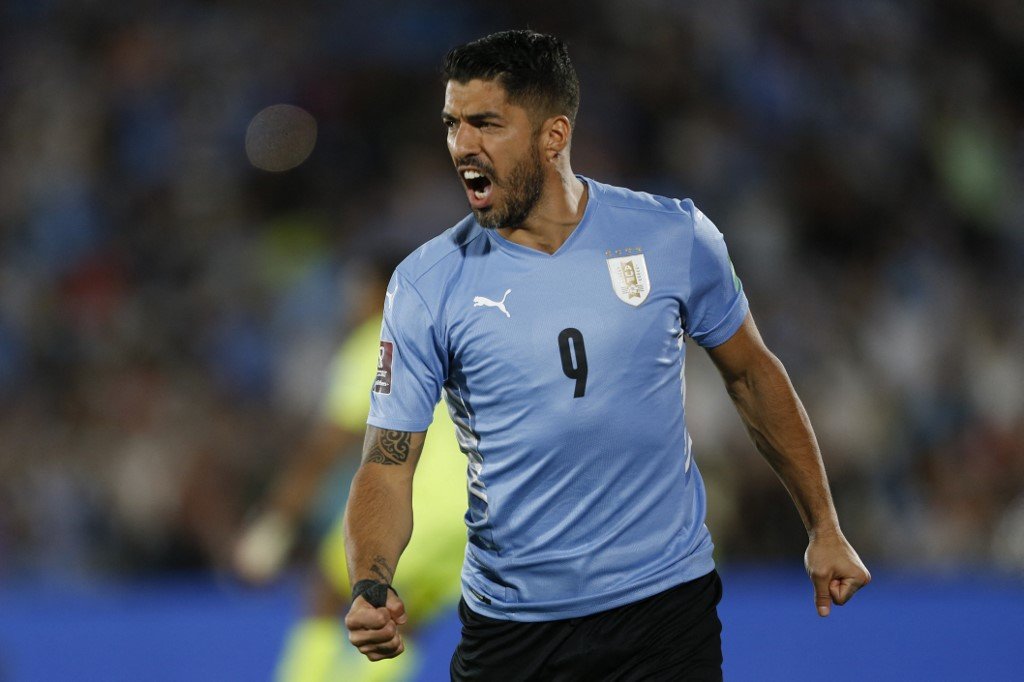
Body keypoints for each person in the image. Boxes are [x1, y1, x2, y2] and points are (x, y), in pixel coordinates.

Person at [343, 30, 871, 681]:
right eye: (453, 124)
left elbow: (752, 375)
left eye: (486, 123)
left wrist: (824, 526)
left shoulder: (673, 235)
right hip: (514, 629)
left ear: (554, 136)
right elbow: (387, 463)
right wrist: (371, 582)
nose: (462, 145)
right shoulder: (427, 285)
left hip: (665, 613)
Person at [232, 256, 466, 682]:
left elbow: (327, 445)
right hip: (475, 515)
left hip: (418, 504)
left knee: (327, 589)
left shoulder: (379, 338)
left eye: (357, 289)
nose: (350, 302)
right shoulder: (451, 335)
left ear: (382, 290)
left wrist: (275, 522)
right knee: (403, 620)